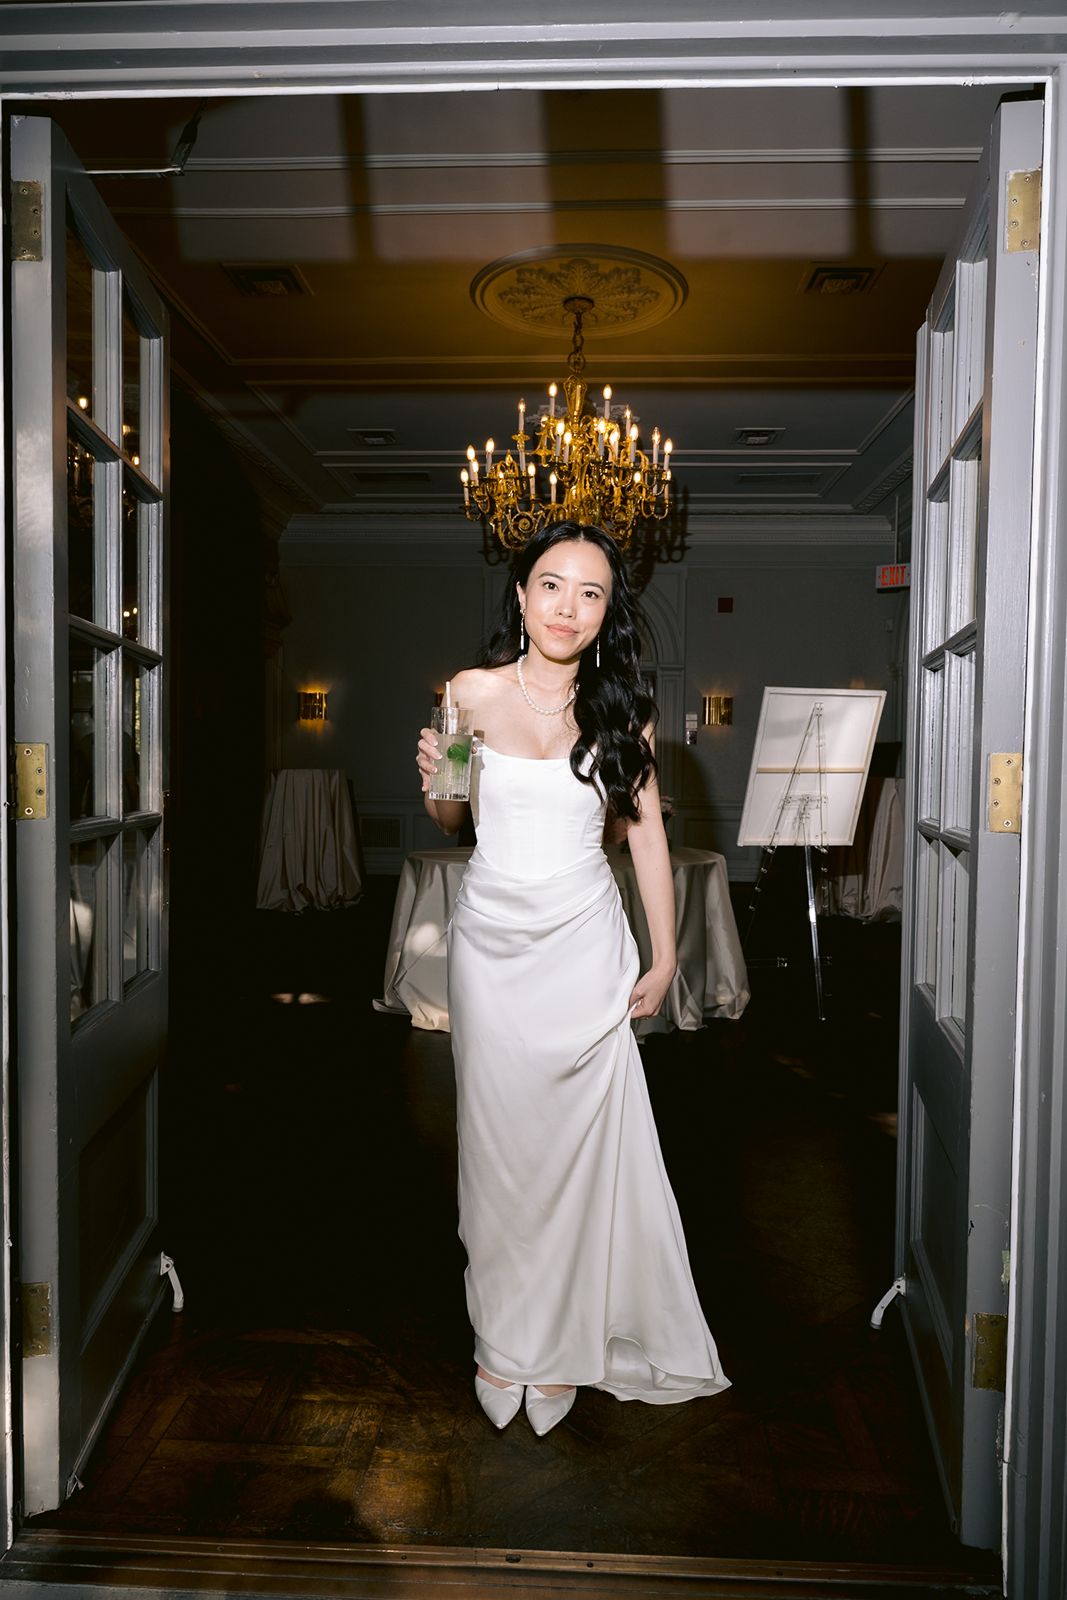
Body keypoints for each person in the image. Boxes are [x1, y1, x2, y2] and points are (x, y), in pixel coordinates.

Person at [416, 521, 730, 1436]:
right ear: (519, 595)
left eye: (590, 593)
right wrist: (438, 775)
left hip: (584, 944)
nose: (567, 607)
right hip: (493, 949)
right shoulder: (468, 693)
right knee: (499, 1150)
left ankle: (554, 1346)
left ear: (606, 613)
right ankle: (501, 1338)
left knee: (572, 1153)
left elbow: (645, 839)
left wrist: (665, 954)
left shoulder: (619, 709)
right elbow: (449, 817)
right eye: (551, 585)